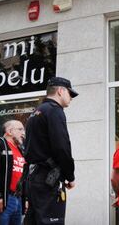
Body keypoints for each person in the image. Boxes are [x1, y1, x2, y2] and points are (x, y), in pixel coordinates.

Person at [24, 76, 78, 225]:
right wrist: (70, 176)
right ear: (60, 91)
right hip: (47, 179)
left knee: (34, 221)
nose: (71, 98)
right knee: (51, 221)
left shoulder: (36, 112)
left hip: (34, 177)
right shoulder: (54, 111)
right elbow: (62, 147)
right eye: (70, 93)